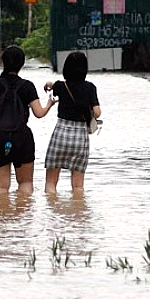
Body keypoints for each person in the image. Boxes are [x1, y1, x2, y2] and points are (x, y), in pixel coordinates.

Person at [0, 45, 56, 194]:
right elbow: (39, 113)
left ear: (3, 62)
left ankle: (1, 214)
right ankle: (23, 217)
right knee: (25, 184)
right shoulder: (27, 86)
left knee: (1, 187)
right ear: (22, 63)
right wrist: (49, 104)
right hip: (21, 138)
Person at [43, 51, 101, 194]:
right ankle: (77, 211)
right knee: (78, 187)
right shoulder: (90, 88)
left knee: (51, 183)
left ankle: (50, 213)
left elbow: (52, 85)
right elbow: (98, 112)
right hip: (80, 138)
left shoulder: (61, 86)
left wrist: (49, 84)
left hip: (61, 134)